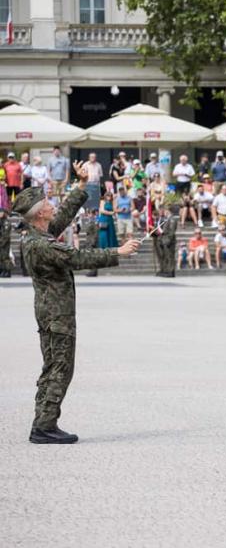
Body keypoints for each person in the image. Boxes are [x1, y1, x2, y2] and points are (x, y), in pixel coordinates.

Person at [12, 165, 140, 444]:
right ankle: (44, 426)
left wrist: (81, 185)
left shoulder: (37, 235)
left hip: (50, 312)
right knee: (60, 367)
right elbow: (78, 257)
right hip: (56, 314)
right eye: (47, 203)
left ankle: (43, 422)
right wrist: (118, 251)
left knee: (53, 366)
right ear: (39, 214)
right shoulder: (43, 245)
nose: (51, 205)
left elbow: (65, 215)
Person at [152, 207, 178, 277]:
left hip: (169, 240)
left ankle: (171, 271)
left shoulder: (172, 219)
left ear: (168, 211)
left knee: (170, 257)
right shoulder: (167, 219)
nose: (164, 212)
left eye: (165, 211)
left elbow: (172, 231)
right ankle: (166, 270)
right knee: (166, 256)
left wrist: (169, 240)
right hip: (165, 240)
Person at [0, 206, 11, 277]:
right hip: (1, 242)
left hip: (5, 243)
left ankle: (7, 271)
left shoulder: (6, 222)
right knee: (1, 257)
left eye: (1, 213)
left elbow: (6, 235)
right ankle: (3, 270)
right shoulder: (1, 221)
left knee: (5, 257)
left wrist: (1, 242)